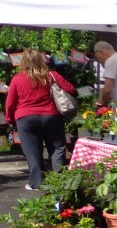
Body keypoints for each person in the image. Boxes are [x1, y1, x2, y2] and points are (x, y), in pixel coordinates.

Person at [5, 49, 76, 190]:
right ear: (42, 60)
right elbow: (71, 89)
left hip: (26, 118)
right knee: (57, 149)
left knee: (33, 151)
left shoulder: (17, 79)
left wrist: (9, 118)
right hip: (51, 116)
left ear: (23, 61)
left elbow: (10, 102)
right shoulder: (51, 75)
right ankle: (60, 182)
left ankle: (37, 183)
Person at [93, 41, 117, 111]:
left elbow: (107, 90)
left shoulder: (111, 61)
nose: (99, 61)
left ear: (101, 52)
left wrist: (103, 103)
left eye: (98, 57)